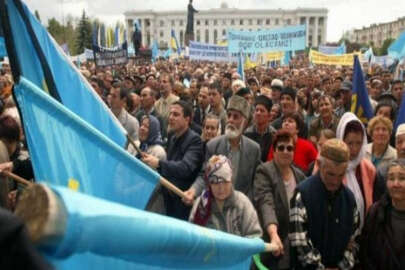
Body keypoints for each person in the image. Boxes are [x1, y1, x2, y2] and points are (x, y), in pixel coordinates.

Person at [289, 139, 361, 270]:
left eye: (340, 175)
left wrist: (341, 267)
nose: (335, 181)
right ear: (319, 164)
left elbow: (354, 240)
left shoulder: (349, 199)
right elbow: (299, 243)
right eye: (330, 174)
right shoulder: (302, 195)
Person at [184, 95, 261, 204]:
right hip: (216, 205)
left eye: (236, 117)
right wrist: (193, 191)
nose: (230, 120)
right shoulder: (213, 146)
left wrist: (245, 204)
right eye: (229, 115)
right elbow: (204, 176)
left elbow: (256, 184)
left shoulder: (254, 149)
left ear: (246, 122)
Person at [253, 130, 306, 270]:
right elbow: (266, 203)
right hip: (270, 244)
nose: (285, 151)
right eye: (281, 148)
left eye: (289, 148)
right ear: (274, 151)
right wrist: (273, 234)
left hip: (294, 247)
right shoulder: (264, 171)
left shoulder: (300, 176)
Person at [142, 100, 203, 220]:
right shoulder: (172, 136)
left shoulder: (194, 140)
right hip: (168, 198)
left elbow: (185, 168)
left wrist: (159, 163)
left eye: (176, 114)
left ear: (187, 119)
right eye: (170, 114)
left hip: (184, 201)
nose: (171, 117)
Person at [189, 155, 262, 238]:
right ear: (209, 184)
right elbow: (193, 236)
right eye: (215, 183)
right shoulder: (201, 204)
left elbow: (255, 235)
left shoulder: (243, 203)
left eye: (225, 182)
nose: (221, 188)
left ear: (231, 180)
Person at [360, 159, 405, 270]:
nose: (396, 184)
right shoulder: (375, 212)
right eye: (391, 178)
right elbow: (366, 252)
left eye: (402, 178)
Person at [336, 112, 377, 228]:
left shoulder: (369, 170)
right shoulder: (330, 166)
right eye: (349, 143)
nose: (354, 149)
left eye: (358, 143)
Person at [244, 95, 275, 162]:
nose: (258, 113)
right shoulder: (247, 134)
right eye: (256, 110)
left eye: (262, 111)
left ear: (269, 116)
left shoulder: (274, 134)